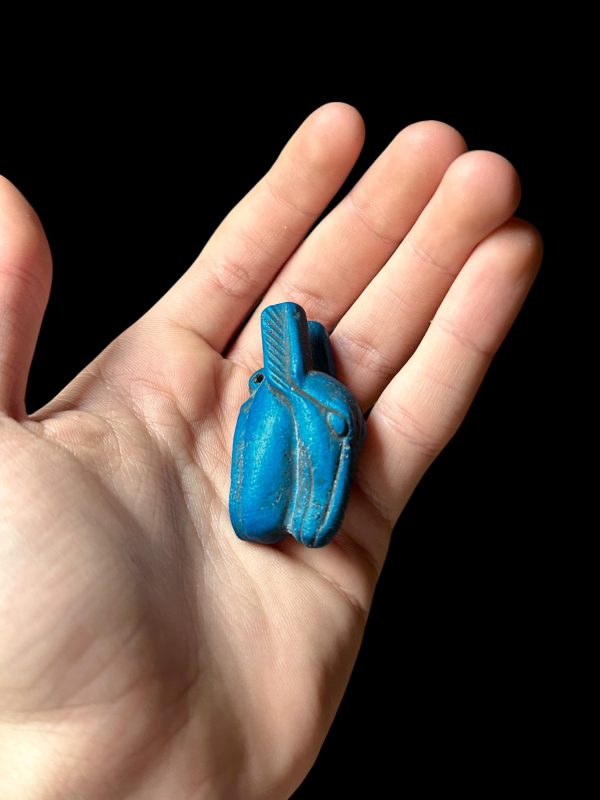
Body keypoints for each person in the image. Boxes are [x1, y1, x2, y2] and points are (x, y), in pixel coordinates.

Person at [0, 103, 541, 798]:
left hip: (296, 417)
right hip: (286, 422)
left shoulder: (299, 402)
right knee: (274, 483)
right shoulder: (280, 405)